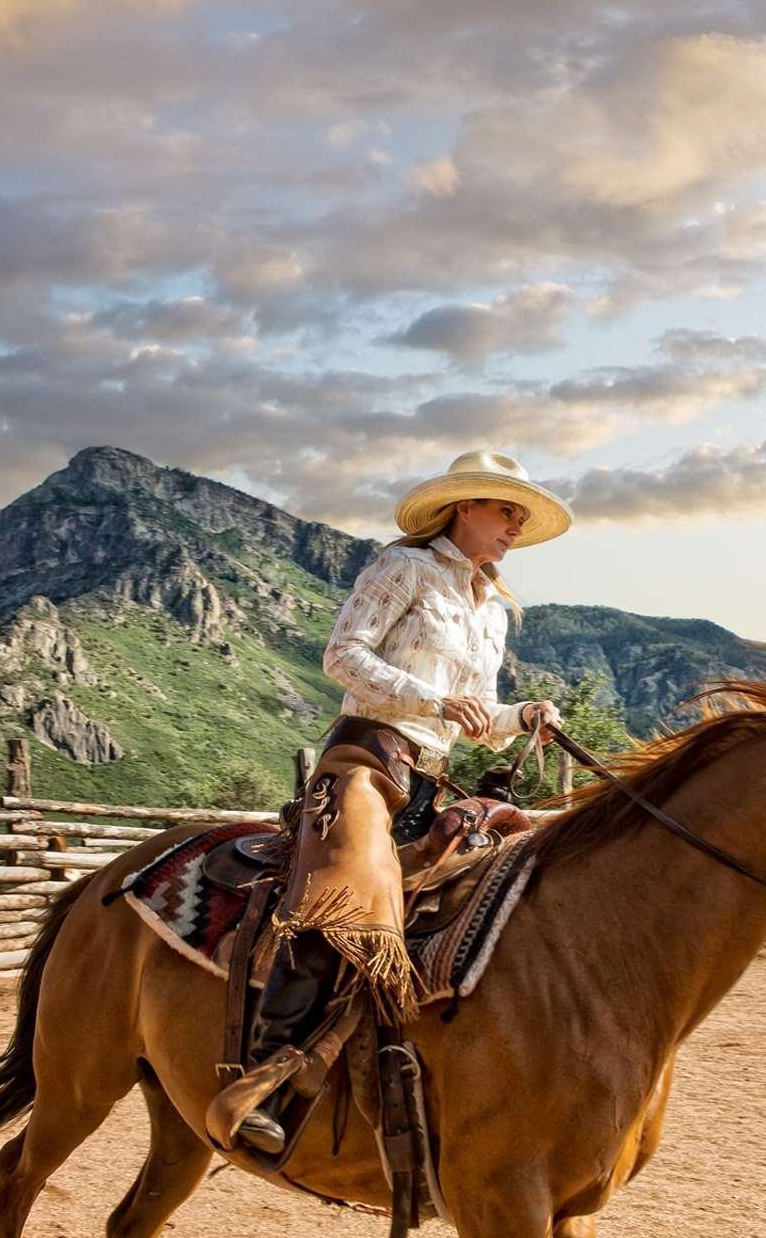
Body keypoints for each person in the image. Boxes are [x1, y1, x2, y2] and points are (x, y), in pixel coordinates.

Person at [211, 450, 571, 1155]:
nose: (514, 527)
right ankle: (264, 1078)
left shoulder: (491, 607)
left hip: (436, 775)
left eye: (521, 518)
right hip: (366, 759)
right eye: (506, 510)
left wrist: (521, 714)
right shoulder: (403, 567)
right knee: (344, 898)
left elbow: (479, 714)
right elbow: (342, 656)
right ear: (465, 506)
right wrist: (434, 699)